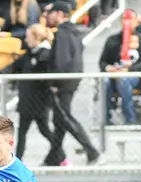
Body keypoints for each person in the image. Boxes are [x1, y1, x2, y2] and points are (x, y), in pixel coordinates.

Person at [43, 1, 102, 166]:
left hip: (63, 82)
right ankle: (53, 157)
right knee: (59, 120)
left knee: (64, 117)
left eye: (51, 12)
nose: (48, 16)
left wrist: (55, 82)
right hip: (72, 79)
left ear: (60, 14)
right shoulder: (75, 32)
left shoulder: (61, 33)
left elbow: (62, 61)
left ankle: (92, 151)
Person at [0, 24, 55, 162]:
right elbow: (13, 67)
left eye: (28, 37)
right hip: (27, 101)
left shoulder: (45, 54)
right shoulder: (29, 54)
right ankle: (17, 161)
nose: (26, 40)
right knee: (22, 131)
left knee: (44, 129)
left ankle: (59, 154)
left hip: (39, 101)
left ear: (36, 38)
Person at [99, 10, 141, 125]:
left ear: (136, 22)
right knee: (105, 82)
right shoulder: (112, 40)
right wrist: (109, 68)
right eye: (125, 19)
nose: (128, 22)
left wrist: (129, 69)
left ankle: (130, 119)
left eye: (131, 19)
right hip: (113, 75)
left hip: (134, 77)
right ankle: (106, 118)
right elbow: (102, 62)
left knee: (123, 80)